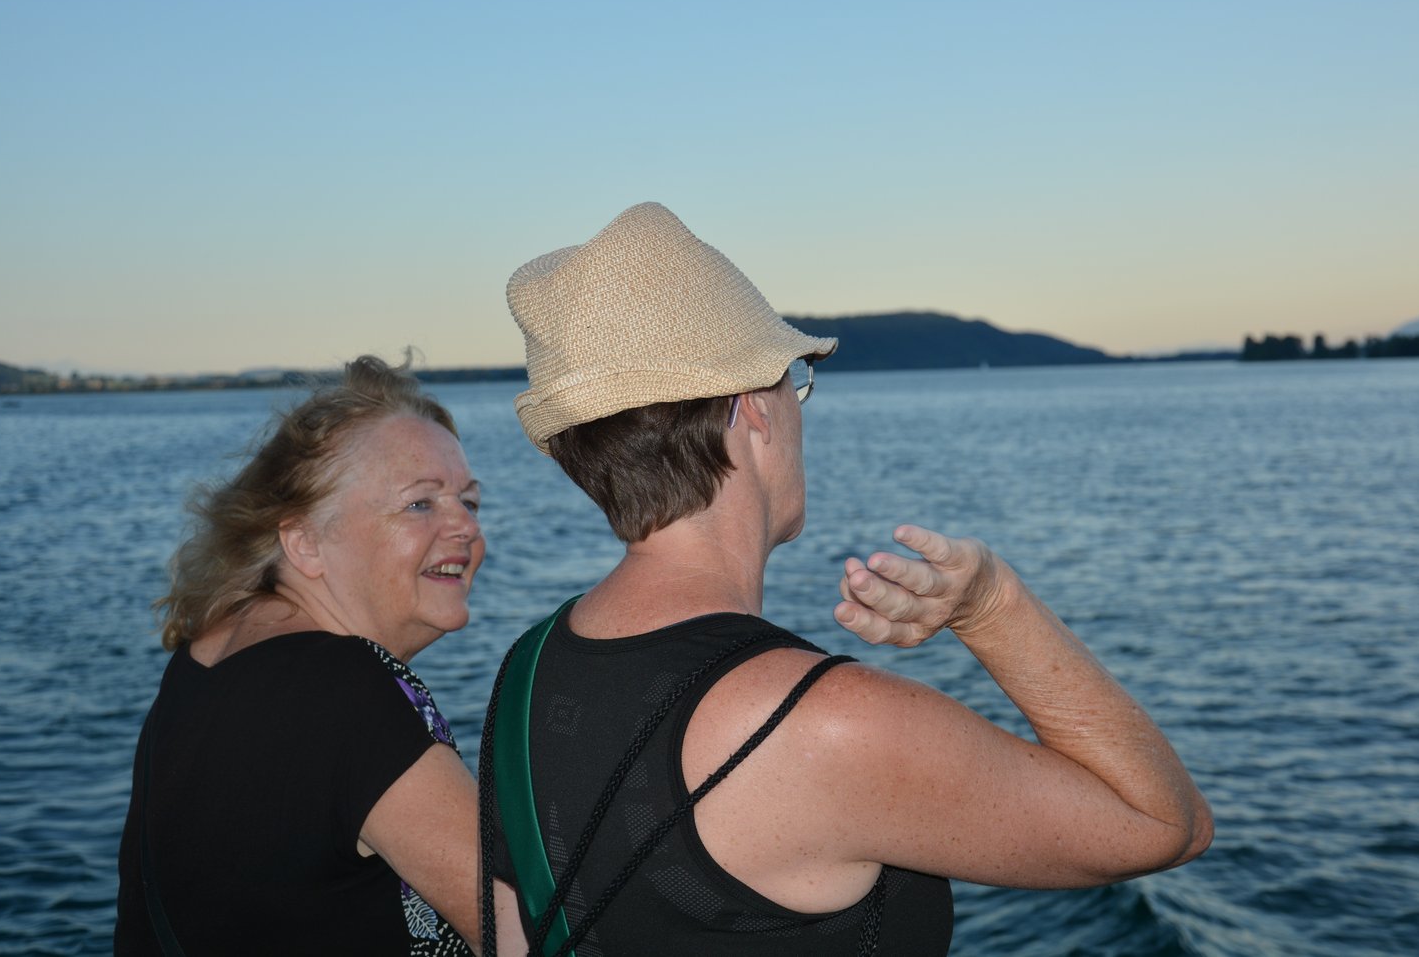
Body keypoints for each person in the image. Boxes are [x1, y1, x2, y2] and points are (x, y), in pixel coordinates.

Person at [481, 203, 1213, 957]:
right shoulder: (821, 724)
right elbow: (1165, 823)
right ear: (749, 408)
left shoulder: (527, 675)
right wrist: (993, 603)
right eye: (793, 381)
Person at [115, 355, 509, 956]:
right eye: (420, 504)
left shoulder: (205, 660)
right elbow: (531, 932)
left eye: (470, 502)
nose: (466, 527)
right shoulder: (350, 689)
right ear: (304, 542)